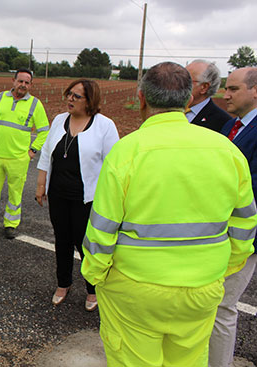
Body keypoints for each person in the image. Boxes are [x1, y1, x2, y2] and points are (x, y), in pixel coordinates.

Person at [81, 62, 256, 367]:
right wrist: (224, 268)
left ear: (141, 98)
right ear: (188, 101)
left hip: (135, 288)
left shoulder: (127, 151)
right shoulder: (227, 151)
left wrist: (95, 275)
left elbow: (102, 228)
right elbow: (244, 223)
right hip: (202, 287)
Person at [35, 79, 118, 311]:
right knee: (61, 240)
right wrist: (41, 184)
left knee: (86, 245)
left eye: (76, 96)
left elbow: (113, 165)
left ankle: (93, 289)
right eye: (69, 94)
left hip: (87, 198)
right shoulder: (59, 120)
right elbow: (46, 154)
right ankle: (63, 283)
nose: (70, 99)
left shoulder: (104, 126)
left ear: (90, 101)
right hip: (58, 193)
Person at [209, 67, 257, 367]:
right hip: (223, 231)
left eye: (234, 89)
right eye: (226, 88)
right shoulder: (233, 127)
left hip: (244, 236)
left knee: (222, 307)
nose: (225, 94)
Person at [0, 68, 49, 239]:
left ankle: (11, 224)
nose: (23, 85)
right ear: (13, 81)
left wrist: (32, 151)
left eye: (26, 82)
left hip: (18, 158)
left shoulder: (35, 104)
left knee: (15, 193)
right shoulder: (0, 98)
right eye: (20, 81)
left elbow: (45, 131)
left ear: (31, 85)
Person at [185, 60, 232, 132]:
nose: (178, 84)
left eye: (185, 80)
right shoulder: (168, 110)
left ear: (204, 87)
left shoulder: (222, 122)